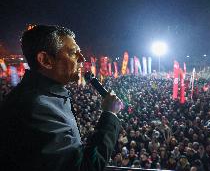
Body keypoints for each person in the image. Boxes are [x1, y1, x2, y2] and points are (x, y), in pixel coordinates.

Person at [0, 25, 122, 171]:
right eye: (73, 53)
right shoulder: (37, 107)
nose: (82, 59)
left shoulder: (45, 95)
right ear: (45, 60)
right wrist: (109, 114)